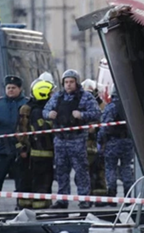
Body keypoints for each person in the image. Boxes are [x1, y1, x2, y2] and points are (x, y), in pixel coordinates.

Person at [43, 69, 101, 209]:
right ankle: (63, 199)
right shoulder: (57, 97)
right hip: (60, 140)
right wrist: (48, 114)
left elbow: (97, 113)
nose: (68, 85)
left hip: (78, 139)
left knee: (81, 171)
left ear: (76, 83)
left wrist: (81, 115)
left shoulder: (85, 97)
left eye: (71, 82)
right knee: (61, 171)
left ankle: (84, 199)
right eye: (66, 82)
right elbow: (45, 111)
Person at [0, 75, 28, 211]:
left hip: (19, 146)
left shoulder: (26, 103)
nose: (11, 90)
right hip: (1, 146)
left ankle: (20, 203)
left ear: (20, 89)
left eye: (14, 88)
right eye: (8, 88)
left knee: (21, 178)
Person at [15, 79, 56, 209]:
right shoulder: (39, 111)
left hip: (32, 152)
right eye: (51, 93)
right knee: (42, 180)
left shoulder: (32, 107)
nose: (53, 95)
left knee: (28, 178)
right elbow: (40, 129)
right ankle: (40, 206)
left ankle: (27, 205)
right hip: (41, 151)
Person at [97, 85, 134, 203]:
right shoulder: (130, 106)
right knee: (126, 168)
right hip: (128, 141)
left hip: (113, 142)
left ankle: (112, 194)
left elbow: (105, 127)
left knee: (110, 168)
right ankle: (128, 194)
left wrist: (100, 141)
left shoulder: (111, 107)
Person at [81, 79, 108, 206]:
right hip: (85, 144)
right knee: (85, 172)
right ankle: (87, 197)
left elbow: (105, 122)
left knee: (99, 171)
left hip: (98, 142)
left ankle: (100, 197)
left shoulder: (101, 105)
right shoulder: (80, 104)